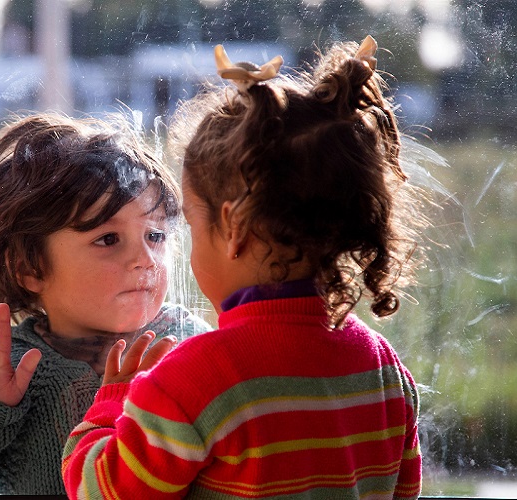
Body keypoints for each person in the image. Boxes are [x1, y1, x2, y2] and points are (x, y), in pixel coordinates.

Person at [62, 36, 422, 499]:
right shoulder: (383, 369)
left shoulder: (192, 380)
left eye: (189, 223)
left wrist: (114, 402)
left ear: (232, 227)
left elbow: (98, 491)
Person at [0, 113, 211, 495]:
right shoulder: (12, 375)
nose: (145, 259)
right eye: (108, 239)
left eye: (155, 235)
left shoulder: (193, 346)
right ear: (29, 268)